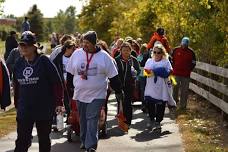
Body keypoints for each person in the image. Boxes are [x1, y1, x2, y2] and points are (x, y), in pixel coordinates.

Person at [66, 31, 123, 152]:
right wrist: (70, 90)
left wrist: (118, 90)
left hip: (97, 95)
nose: (84, 45)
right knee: (82, 119)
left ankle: (91, 146)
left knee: (92, 118)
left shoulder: (104, 57)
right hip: (80, 94)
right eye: (83, 42)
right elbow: (70, 73)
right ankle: (84, 140)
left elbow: (113, 76)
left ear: (94, 43)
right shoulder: (76, 54)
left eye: (87, 43)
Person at [13, 31, 64, 152]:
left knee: (44, 139)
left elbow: (56, 83)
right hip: (25, 108)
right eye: (22, 45)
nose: (24, 48)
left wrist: (58, 102)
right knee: (22, 140)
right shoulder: (19, 63)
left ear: (34, 46)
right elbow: (17, 86)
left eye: (27, 45)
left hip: (43, 108)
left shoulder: (44, 61)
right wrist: (17, 104)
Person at [144, 44, 172, 131]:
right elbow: (146, 72)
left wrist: (160, 72)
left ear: (162, 53)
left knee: (161, 105)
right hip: (150, 87)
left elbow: (169, 71)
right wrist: (156, 71)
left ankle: (158, 122)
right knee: (150, 104)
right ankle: (151, 119)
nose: (156, 54)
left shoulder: (165, 61)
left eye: (158, 52)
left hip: (161, 87)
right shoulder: (149, 61)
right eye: (154, 52)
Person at [115, 41, 140, 127]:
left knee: (128, 103)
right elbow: (113, 72)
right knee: (120, 102)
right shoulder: (117, 60)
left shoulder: (133, 60)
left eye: (127, 50)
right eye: (124, 50)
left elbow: (139, 70)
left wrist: (136, 73)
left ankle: (127, 122)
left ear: (130, 51)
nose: (126, 52)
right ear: (120, 51)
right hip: (119, 85)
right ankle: (121, 120)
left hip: (130, 85)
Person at [52, 40, 76, 125]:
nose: (74, 50)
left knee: (71, 101)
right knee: (62, 102)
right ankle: (58, 122)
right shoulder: (58, 58)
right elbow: (54, 70)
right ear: (67, 48)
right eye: (72, 48)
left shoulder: (74, 57)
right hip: (61, 84)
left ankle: (71, 118)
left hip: (72, 84)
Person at [172, 37, 196, 109]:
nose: (184, 45)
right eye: (183, 43)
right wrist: (173, 68)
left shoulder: (191, 52)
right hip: (175, 74)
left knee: (184, 91)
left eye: (186, 44)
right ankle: (174, 103)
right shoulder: (176, 50)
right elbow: (171, 59)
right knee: (175, 89)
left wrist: (189, 69)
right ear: (181, 43)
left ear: (188, 44)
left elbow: (194, 62)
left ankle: (183, 106)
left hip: (186, 75)